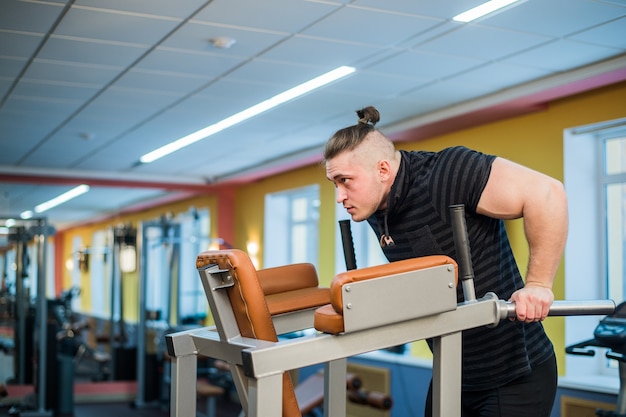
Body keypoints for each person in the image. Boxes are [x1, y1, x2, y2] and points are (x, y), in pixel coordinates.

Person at [323, 106, 568, 417]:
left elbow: (547, 193)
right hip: (454, 373)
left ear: (382, 170)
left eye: (345, 181)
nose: (339, 196)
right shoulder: (376, 208)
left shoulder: (447, 172)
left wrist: (538, 285)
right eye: (335, 183)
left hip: (515, 375)